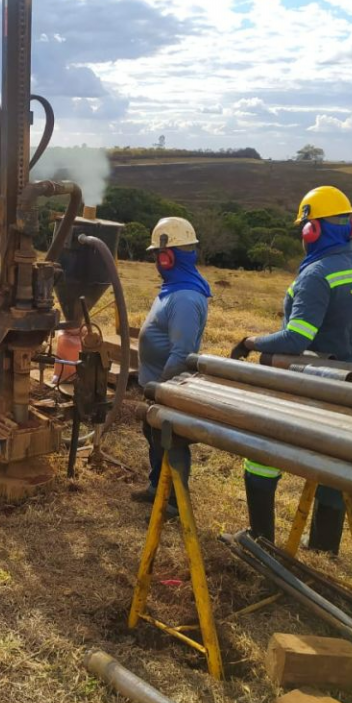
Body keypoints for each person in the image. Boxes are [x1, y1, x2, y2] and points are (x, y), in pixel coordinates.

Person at [230, 186, 352, 552]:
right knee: (333, 459)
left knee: (261, 454)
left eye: (305, 227)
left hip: (310, 384)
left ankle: (261, 540)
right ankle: (324, 548)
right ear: (350, 227)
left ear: (311, 230)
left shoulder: (316, 275)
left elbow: (296, 338)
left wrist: (251, 342)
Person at [133, 217, 211, 510]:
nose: (155, 260)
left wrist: (159, 390)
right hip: (156, 384)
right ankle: (157, 487)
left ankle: (174, 502)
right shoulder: (174, 288)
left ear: (168, 257)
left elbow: (182, 354)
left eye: (157, 255)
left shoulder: (186, 298)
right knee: (155, 437)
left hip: (167, 387)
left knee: (170, 442)